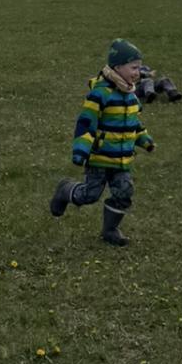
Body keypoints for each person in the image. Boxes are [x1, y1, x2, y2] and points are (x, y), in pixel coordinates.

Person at [48, 39, 154, 246]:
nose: (138, 72)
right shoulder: (100, 94)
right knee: (90, 195)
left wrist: (145, 140)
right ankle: (65, 190)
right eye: (134, 68)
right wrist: (81, 150)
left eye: (139, 68)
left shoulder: (131, 96)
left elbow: (134, 123)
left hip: (122, 159)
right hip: (100, 157)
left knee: (124, 192)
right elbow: (86, 123)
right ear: (118, 67)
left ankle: (110, 229)